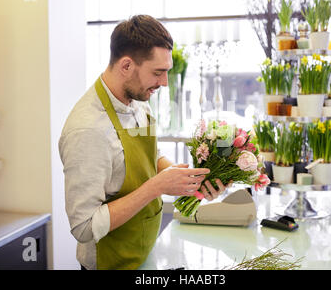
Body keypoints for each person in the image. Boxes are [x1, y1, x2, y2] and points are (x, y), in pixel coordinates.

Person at [59, 15, 231, 270]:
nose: (164, 83)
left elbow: (149, 155)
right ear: (126, 66)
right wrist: (156, 187)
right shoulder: (88, 130)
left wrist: (187, 180)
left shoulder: (137, 99)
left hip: (146, 254)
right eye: (158, 73)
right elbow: (84, 227)